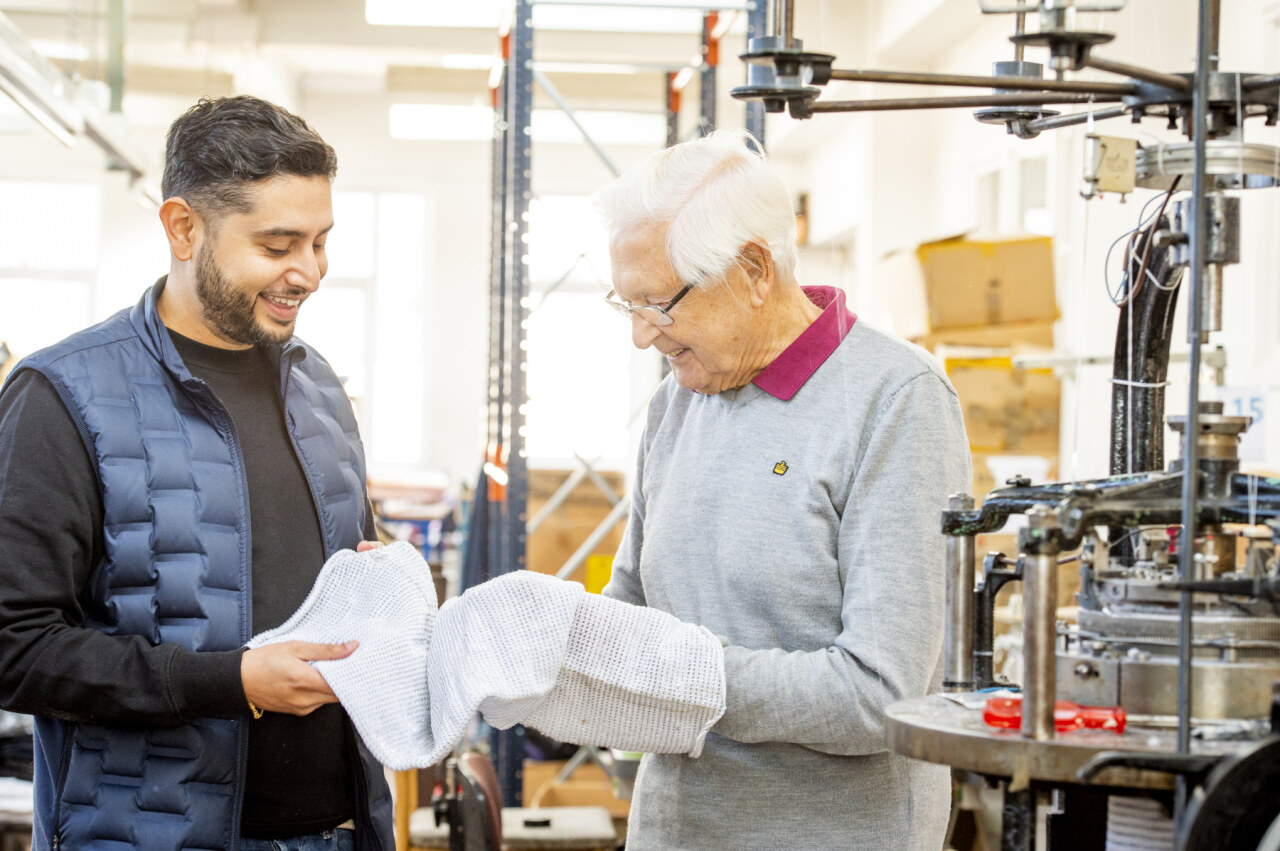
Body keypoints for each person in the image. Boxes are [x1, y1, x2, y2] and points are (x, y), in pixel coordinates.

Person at [0, 96, 393, 850]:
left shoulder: (318, 388)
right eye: (279, 244)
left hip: (337, 834)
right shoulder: (64, 395)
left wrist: (392, 592)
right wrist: (233, 682)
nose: (308, 272)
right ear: (184, 228)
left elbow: (353, 574)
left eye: (320, 242)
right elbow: (15, 647)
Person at [596, 130, 971, 849]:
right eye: (627, 304)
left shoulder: (896, 401)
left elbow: (881, 693)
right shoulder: (679, 399)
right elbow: (634, 607)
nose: (643, 336)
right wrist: (541, 639)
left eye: (658, 305)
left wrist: (687, 676)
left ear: (754, 270)